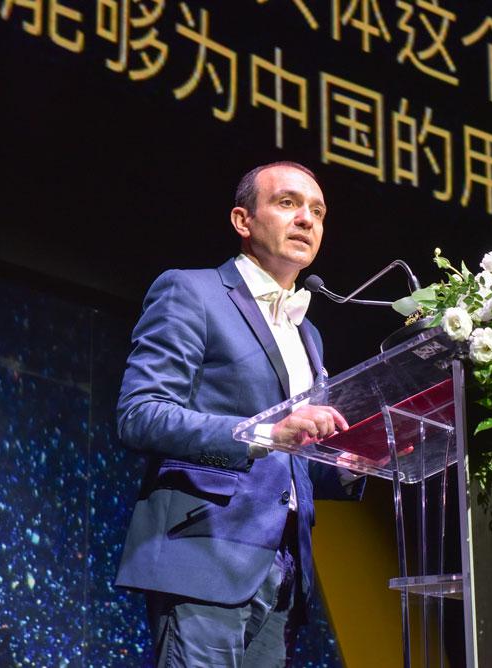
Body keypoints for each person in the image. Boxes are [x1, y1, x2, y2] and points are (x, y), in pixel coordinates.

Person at [114, 161, 363, 666]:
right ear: (242, 220)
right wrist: (265, 433)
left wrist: (356, 460)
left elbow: (293, 460)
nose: (307, 219)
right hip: (204, 551)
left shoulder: (309, 334)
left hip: (284, 569)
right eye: (288, 203)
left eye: (318, 211)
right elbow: (140, 414)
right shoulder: (191, 291)